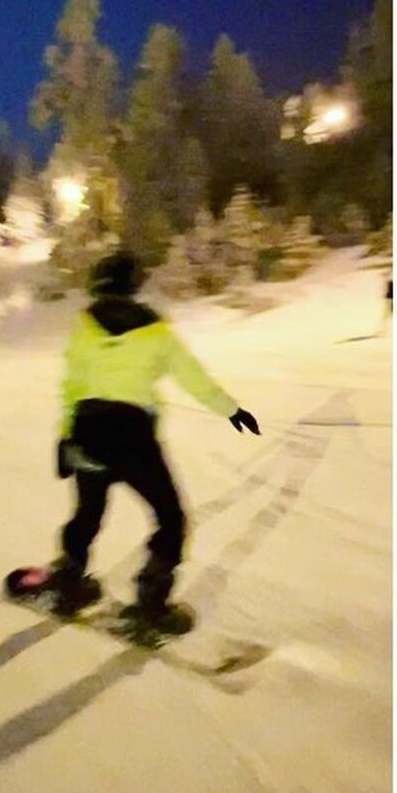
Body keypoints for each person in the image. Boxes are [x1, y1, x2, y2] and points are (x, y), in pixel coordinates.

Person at [48, 250, 261, 625]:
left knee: (87, 513)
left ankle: (69, 580)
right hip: (132, 438)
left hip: (89, 433)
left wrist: (66, 439)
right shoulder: (156, 332)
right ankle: (151, 601)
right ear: (134, 285)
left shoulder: (84, 327)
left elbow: (72, 387)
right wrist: (231, 410)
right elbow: (193, 378)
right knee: (170, 518)